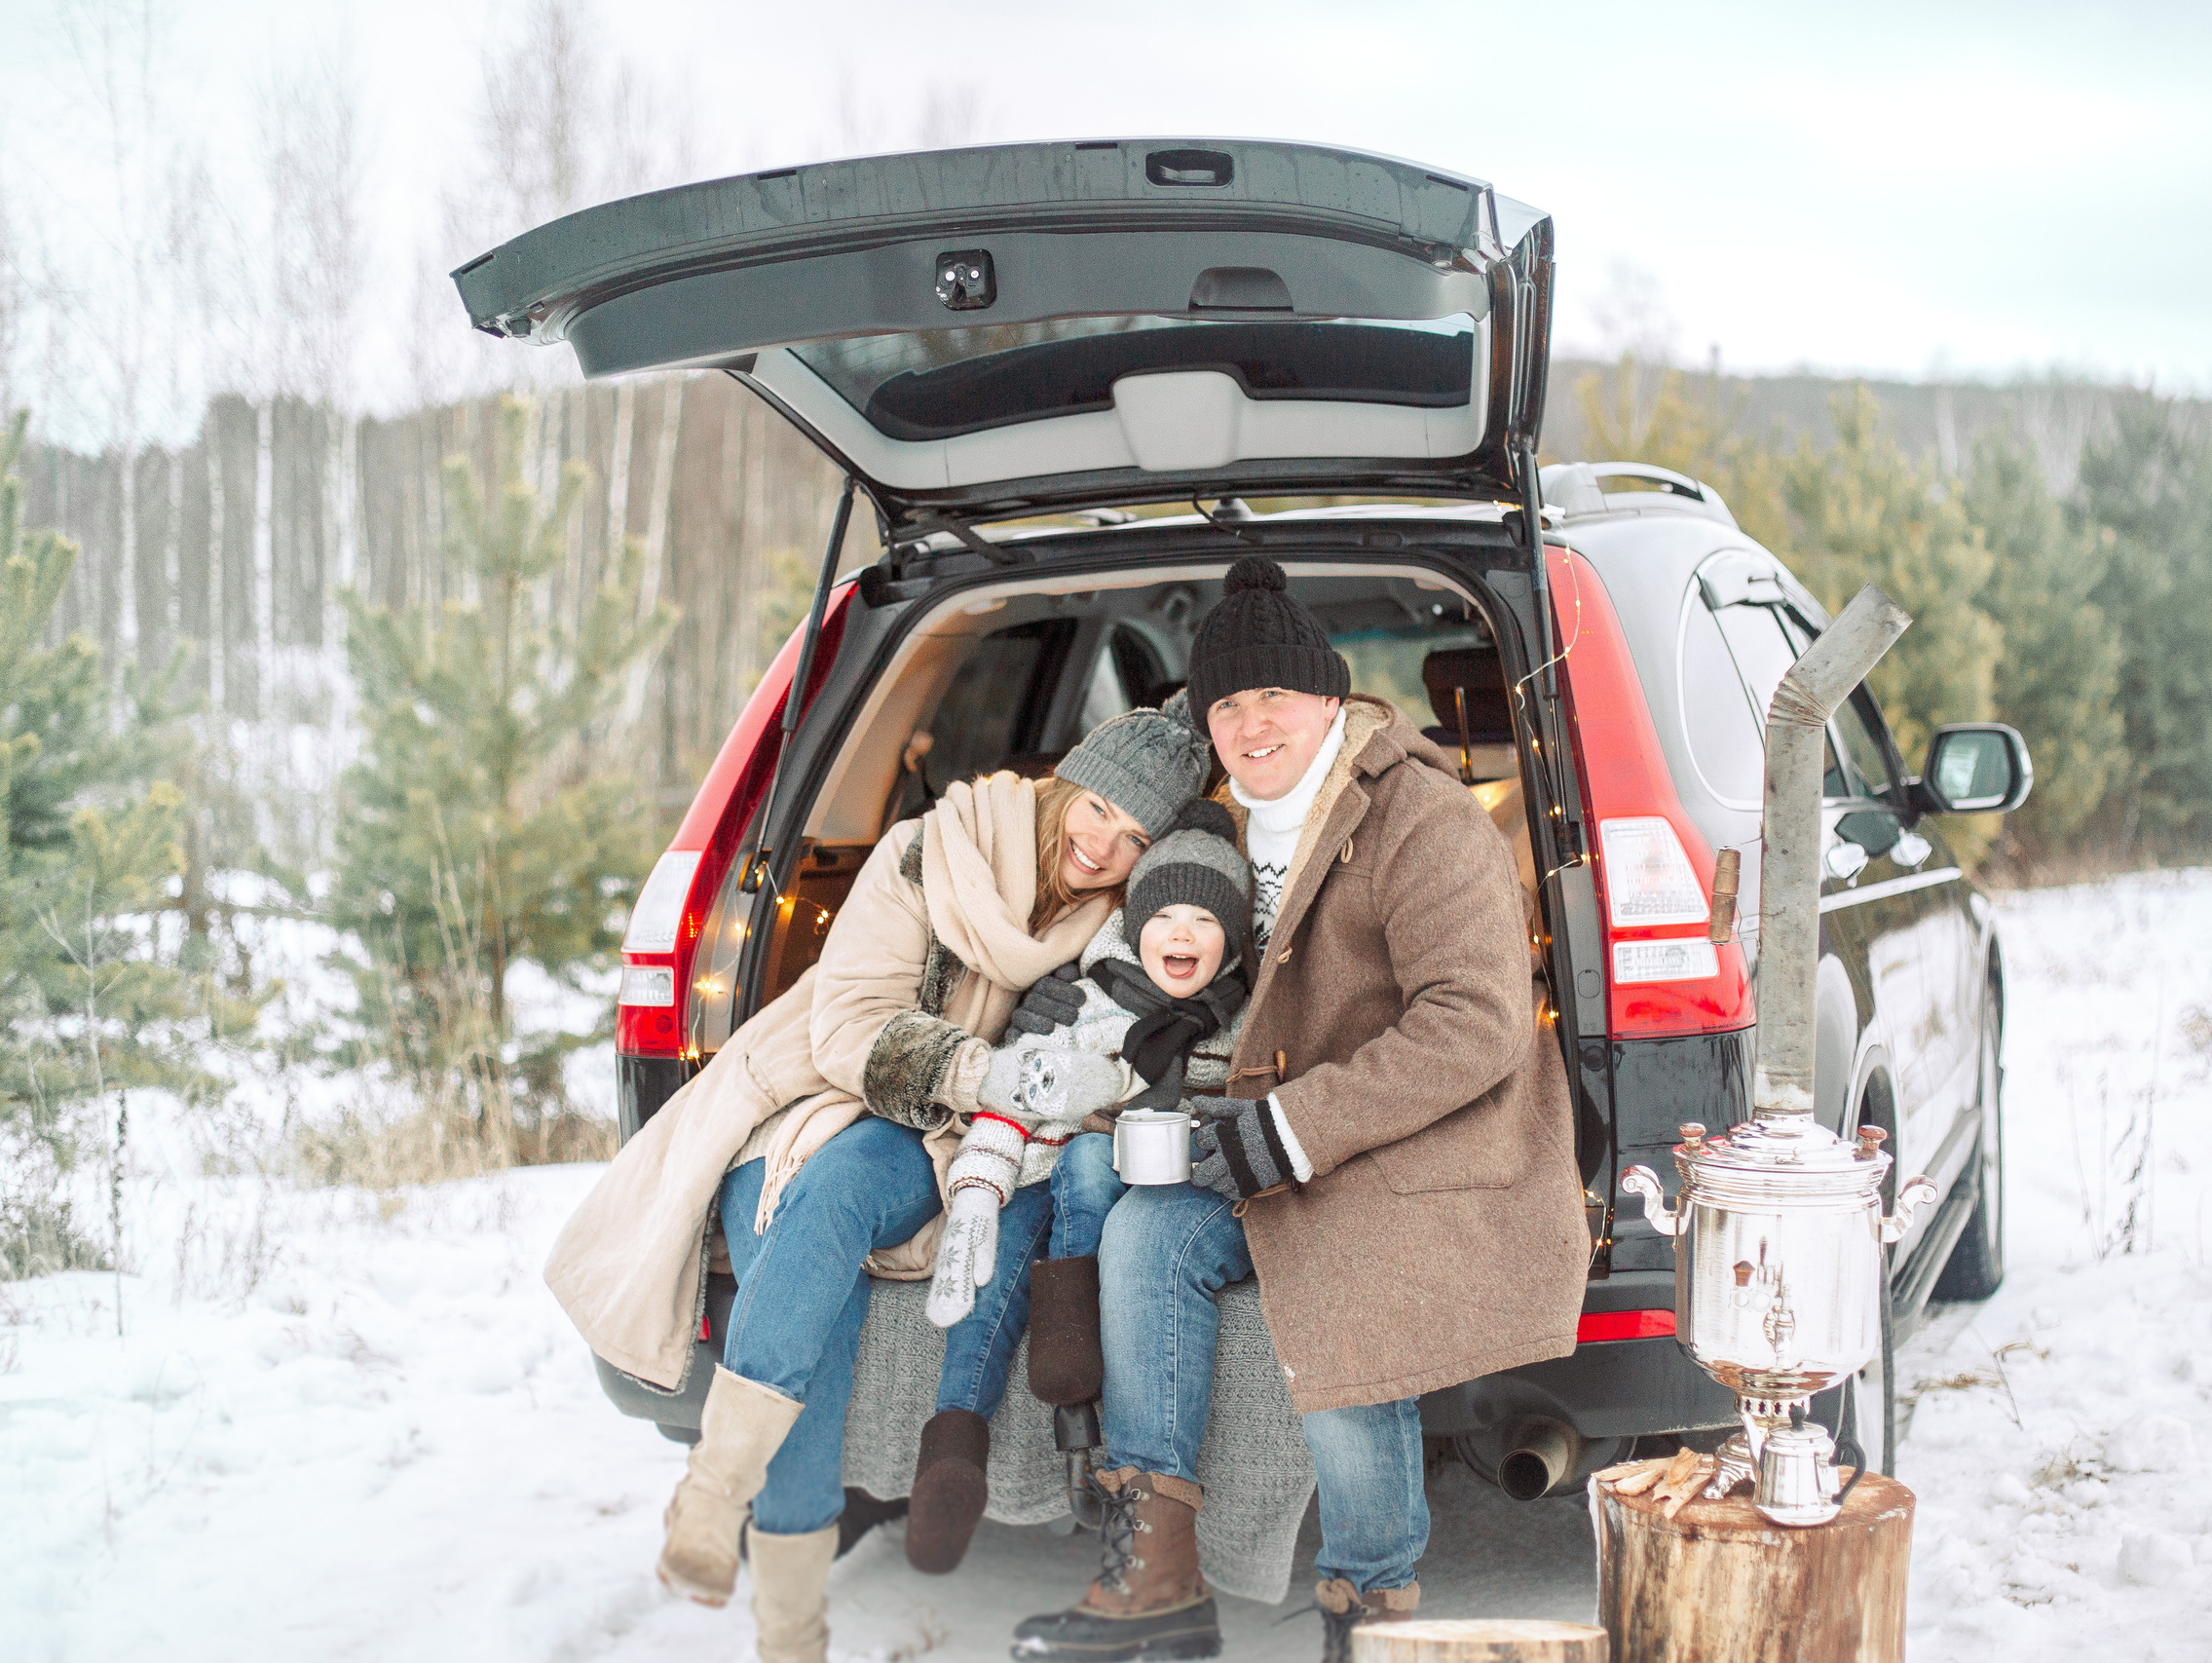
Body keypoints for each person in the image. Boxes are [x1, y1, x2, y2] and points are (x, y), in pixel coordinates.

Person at [540, 701, 1210, 1663]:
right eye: (1099, 808)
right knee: (814, 1232)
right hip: (806, 1094)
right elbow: (849, 1030)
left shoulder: (1114, 927)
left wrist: (1029, 1099)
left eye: (1135, 836)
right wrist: (988, 1076)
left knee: (843, 1188)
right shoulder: (927, 851)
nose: (1104, 846)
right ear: (1068, 780)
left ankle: (725, 1508)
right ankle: (770, 1596)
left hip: (940, 1142)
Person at [1013, 557, 1592, 1663]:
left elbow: (1475, 1025)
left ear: (1328, 698)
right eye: (1226, 703)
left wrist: (1285, 1131)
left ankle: (1368, 1609)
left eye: (1271, 695)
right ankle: (1158, 1582)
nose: (1249, 723)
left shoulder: (1421, 818)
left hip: (1410, 1141)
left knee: (1331, 1271)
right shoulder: (1215, 824)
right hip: (1263, 1135)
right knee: (1141, 1231)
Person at [919, 798, 1256, 1538]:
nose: (1182, 933)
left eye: (1205, 920)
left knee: (1094, 1160)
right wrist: (980, 1182)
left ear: (1231, 938)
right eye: (1165, 916)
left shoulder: (1245, 1016)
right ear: (1136, 928)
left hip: (1165, 1196)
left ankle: (1073, 1379)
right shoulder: (1085, 996)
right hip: (1053, 1172)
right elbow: (1016, 1090)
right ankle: (952, 1444)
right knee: (1007, 1240)